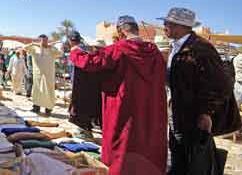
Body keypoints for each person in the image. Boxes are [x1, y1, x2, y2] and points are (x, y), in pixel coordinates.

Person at [69, 16, 167, 175]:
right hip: (149, 109)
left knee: (123, 145)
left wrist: (75, 52)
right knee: (146, 143)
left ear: (120, 32)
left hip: (124, 109)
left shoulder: (118, 49)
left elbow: (91, 62)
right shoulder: (155, 52)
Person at [159, 8, 241, 175]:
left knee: (194, 160)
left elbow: (222, 84)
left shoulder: (201, 49)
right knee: (179, 156)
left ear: (181, 26)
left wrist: (206, 113)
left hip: (193, 116)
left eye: (168, 23)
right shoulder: (176, 47)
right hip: (178, 113)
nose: (164, 25)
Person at [69, 33, 104, 132]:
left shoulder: (79, 53)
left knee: (83, 109)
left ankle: (85, 130)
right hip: (92, 88)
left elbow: (83, 64)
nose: (95, 49)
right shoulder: (89, 54)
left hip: (84, 89)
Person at [24, 34, 62, 116]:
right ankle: (36, 108)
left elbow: (60, 53)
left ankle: (48, 109)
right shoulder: (34, 48)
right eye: (42, 40)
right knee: (37, 90)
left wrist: (52, 46)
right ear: (39, 40)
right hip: (38, 75)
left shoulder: (51, 49)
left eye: (46, 40)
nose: (44, 42)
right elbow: (25, 48)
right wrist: (34, 44)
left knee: (49, 91)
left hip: (49, 75)